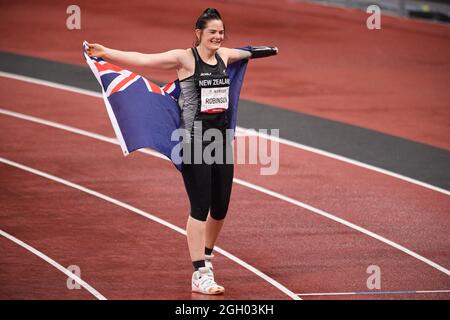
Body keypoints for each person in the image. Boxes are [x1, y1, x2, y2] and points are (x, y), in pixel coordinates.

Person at [86, 7, 277, 295]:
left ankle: (208, 256)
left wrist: (268, 50)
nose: (218, 36)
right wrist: (107, 52)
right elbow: (143, 59)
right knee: (200, 208)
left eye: (221, 32)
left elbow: (245, 53)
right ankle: (199, 272)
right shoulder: (184, 59)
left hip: (221, 142)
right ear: (198, 33)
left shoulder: (224, 56)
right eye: (212, 31)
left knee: (221, 207)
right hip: (194, 141)